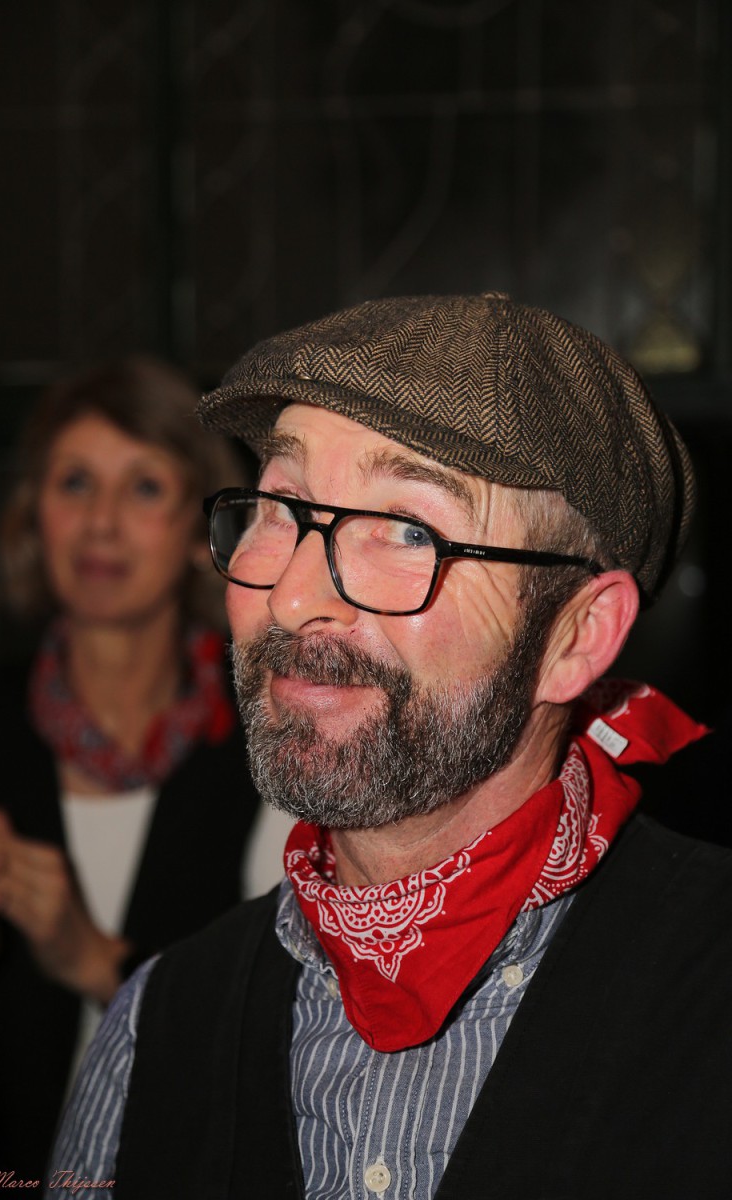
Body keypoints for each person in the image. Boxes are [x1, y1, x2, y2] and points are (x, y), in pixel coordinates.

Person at [51, 294, 731, 1200]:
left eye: (410, 529)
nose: (293, 598)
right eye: (280, 506)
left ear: (576, 636)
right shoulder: (155, 1032)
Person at [0, 355, 273, 1184]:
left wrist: (91, 958)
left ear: (200, 532)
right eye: (75, 483)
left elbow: (287, 1059)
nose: (101, 523)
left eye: (144, 488)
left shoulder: (277, 747)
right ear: (33, 517)